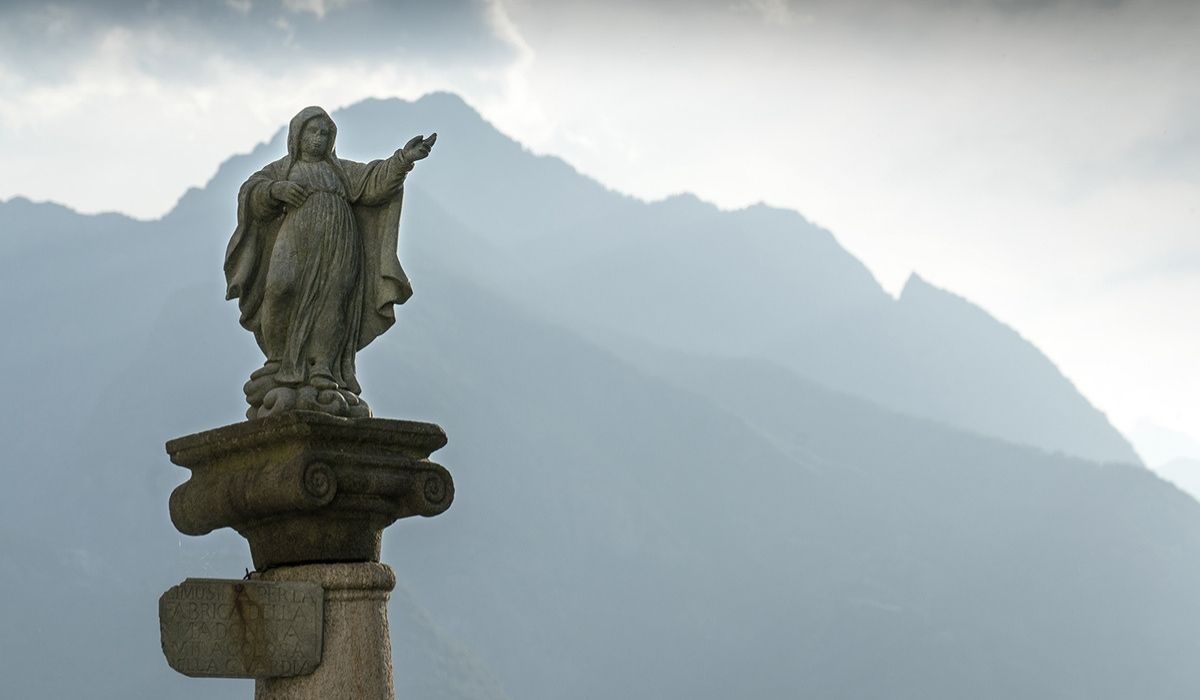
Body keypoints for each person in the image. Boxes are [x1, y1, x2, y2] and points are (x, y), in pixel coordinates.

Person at [224, 105, 436, 419]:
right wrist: (275, 190)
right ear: (298, 135)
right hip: (296, 236)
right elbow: (251, 193)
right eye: (313, 131)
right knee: (280, 287)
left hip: (340, 241)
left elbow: (374, 182)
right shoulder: (282, 170)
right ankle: (277, 359)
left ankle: (323, 367)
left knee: (334, 300)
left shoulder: (341, 172)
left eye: (325, 133)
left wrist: (404, 159)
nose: (319, 138)